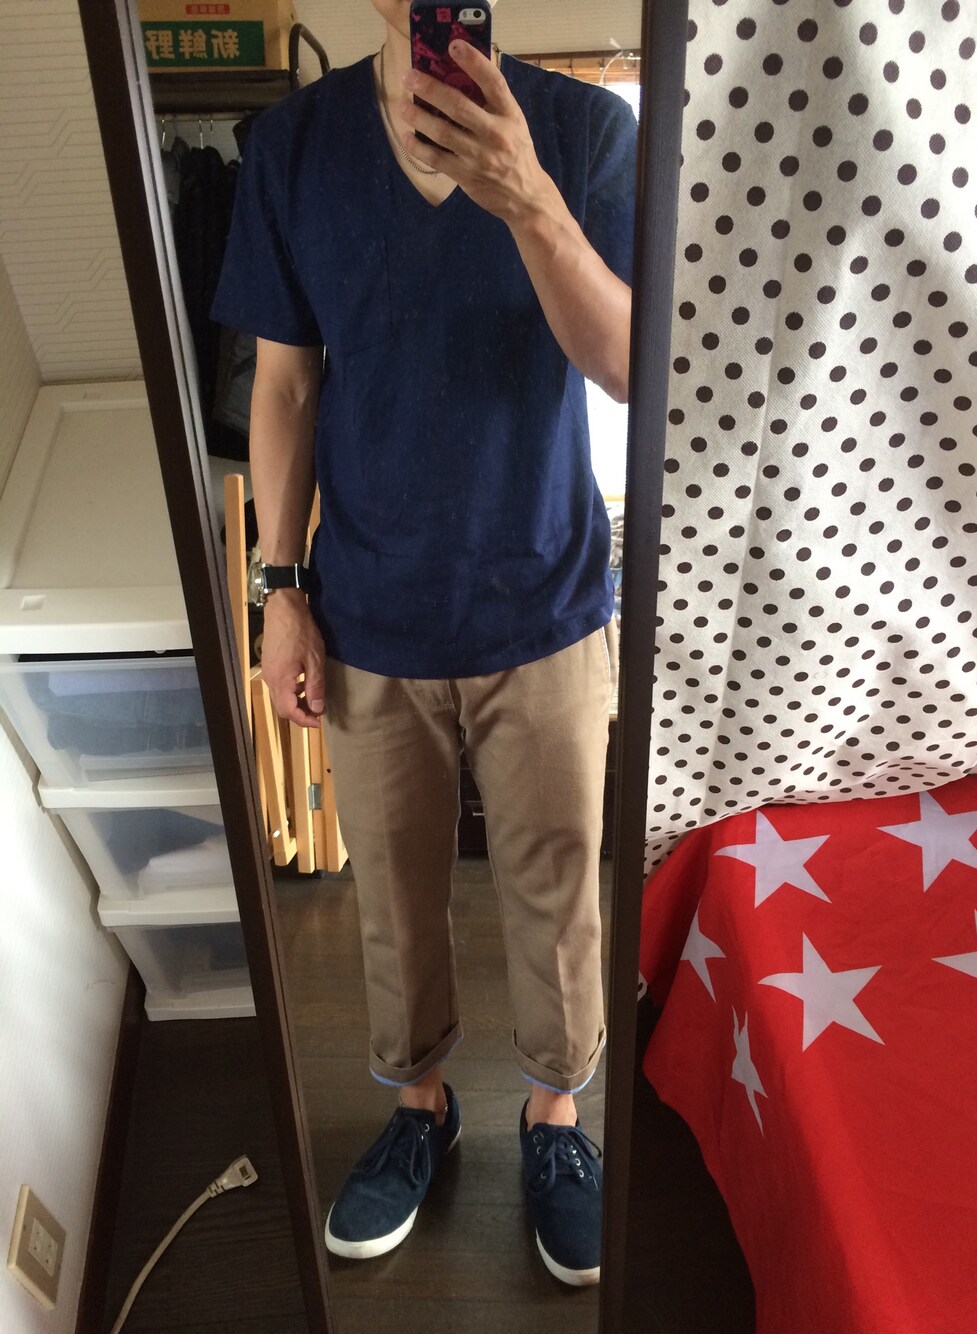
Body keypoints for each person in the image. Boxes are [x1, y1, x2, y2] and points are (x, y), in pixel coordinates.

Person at [211, 0, 636, 1287]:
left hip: (545, 597)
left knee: (557, 890)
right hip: (368, 608)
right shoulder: (291, 147)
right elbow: (284, 383)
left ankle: (554, 1118)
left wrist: (530, 201)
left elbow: (632, 365)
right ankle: (420, 1106)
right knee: (390, 894)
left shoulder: (584, 132)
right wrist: (280, 588)